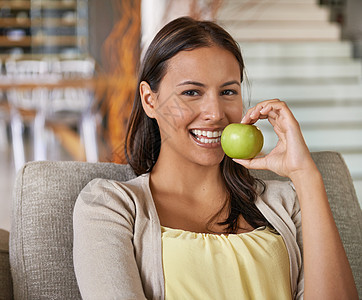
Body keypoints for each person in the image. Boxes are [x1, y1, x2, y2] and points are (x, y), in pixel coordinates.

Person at [73, 17, 358, 300]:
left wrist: (305, 175)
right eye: (192, 92)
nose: (215, 112)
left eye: (228, 92)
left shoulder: (287, 201)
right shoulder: (108, 205)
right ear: (150, 100)